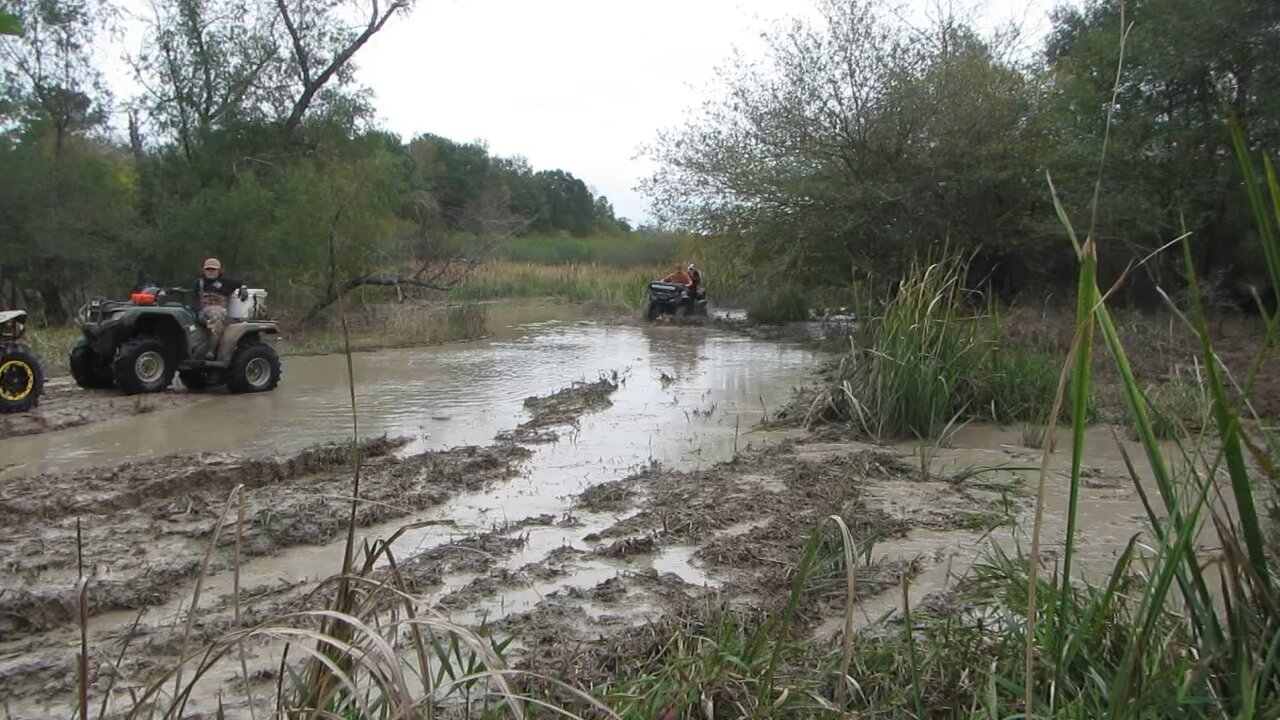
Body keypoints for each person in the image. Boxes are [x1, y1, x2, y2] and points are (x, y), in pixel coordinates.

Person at [192, 258, 244, 356]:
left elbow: (241, 283)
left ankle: (214, 349)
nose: (210, 272)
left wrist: (243, 289)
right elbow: (194, 301)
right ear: (204, 270)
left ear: (219, 270)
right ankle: (207, 350)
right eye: (208, 269)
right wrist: (197, 312)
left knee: (220, 315)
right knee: (215, 315)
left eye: (213, 269)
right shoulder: (199, 283)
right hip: (204, 310)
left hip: (221, 310)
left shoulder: (227, 282)